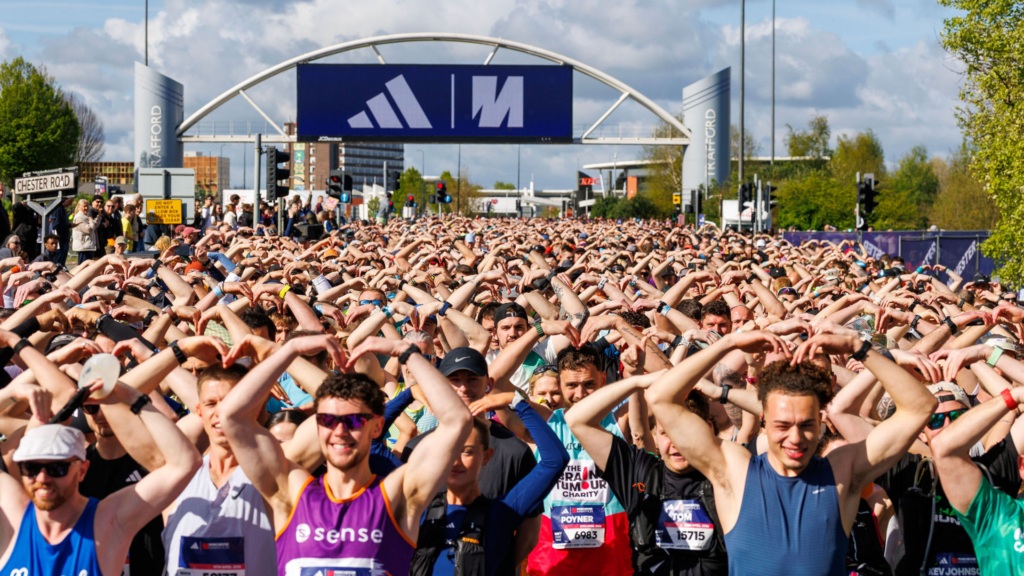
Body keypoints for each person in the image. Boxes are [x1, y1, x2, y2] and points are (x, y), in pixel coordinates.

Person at [645, 329, 937, 575]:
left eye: (806, 425)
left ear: (821, 420)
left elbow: (921, 406)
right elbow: (659, 397)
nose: (795, 438)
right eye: (782, 425)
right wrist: (729, 343)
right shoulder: (734, 471)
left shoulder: (842, 472)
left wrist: (857, 346)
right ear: (764, 419)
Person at [218, 334, 473, 575]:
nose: (340, 431)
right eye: (328, 420)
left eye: (354, 420)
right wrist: (287, 351)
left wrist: (407, 353)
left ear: (377, 426)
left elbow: (457, 420)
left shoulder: (397, 495)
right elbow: (231, 416)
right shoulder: (291, 493)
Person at [0, 360, 201, 576]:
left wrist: (132, 398)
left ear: (82, 469)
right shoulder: (15, 516)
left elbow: (185, 463)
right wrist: (10, 392)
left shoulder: (107, 521)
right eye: (31, 468)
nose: (42, 478)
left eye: (57, 468)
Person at [72, 198, 100, 263]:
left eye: (87, 206)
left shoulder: (85, 216)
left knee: (88, 265)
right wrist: (91, 219)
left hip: (87, 246)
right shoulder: (79, 218)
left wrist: (99, 217)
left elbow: (94, 226)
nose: (86, 208)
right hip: (83, 247)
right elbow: (88, 230)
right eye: (84, 206)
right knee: (83, 265)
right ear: (79, 207)